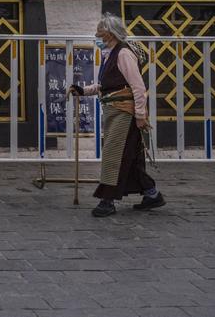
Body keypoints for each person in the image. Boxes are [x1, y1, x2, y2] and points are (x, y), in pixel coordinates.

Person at [67, 13, 163, 217]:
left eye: (101, 32)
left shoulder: (123, 54)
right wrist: (83, 91)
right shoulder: (110, 54)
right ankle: (152, 194)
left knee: (115, 154)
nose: (97, 35)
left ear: (110, 33)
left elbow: (137, 87)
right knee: (131, 156)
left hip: (124, 113)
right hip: (114, 112)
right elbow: (106, 86)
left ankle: (107, 200)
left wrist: (140, 114)